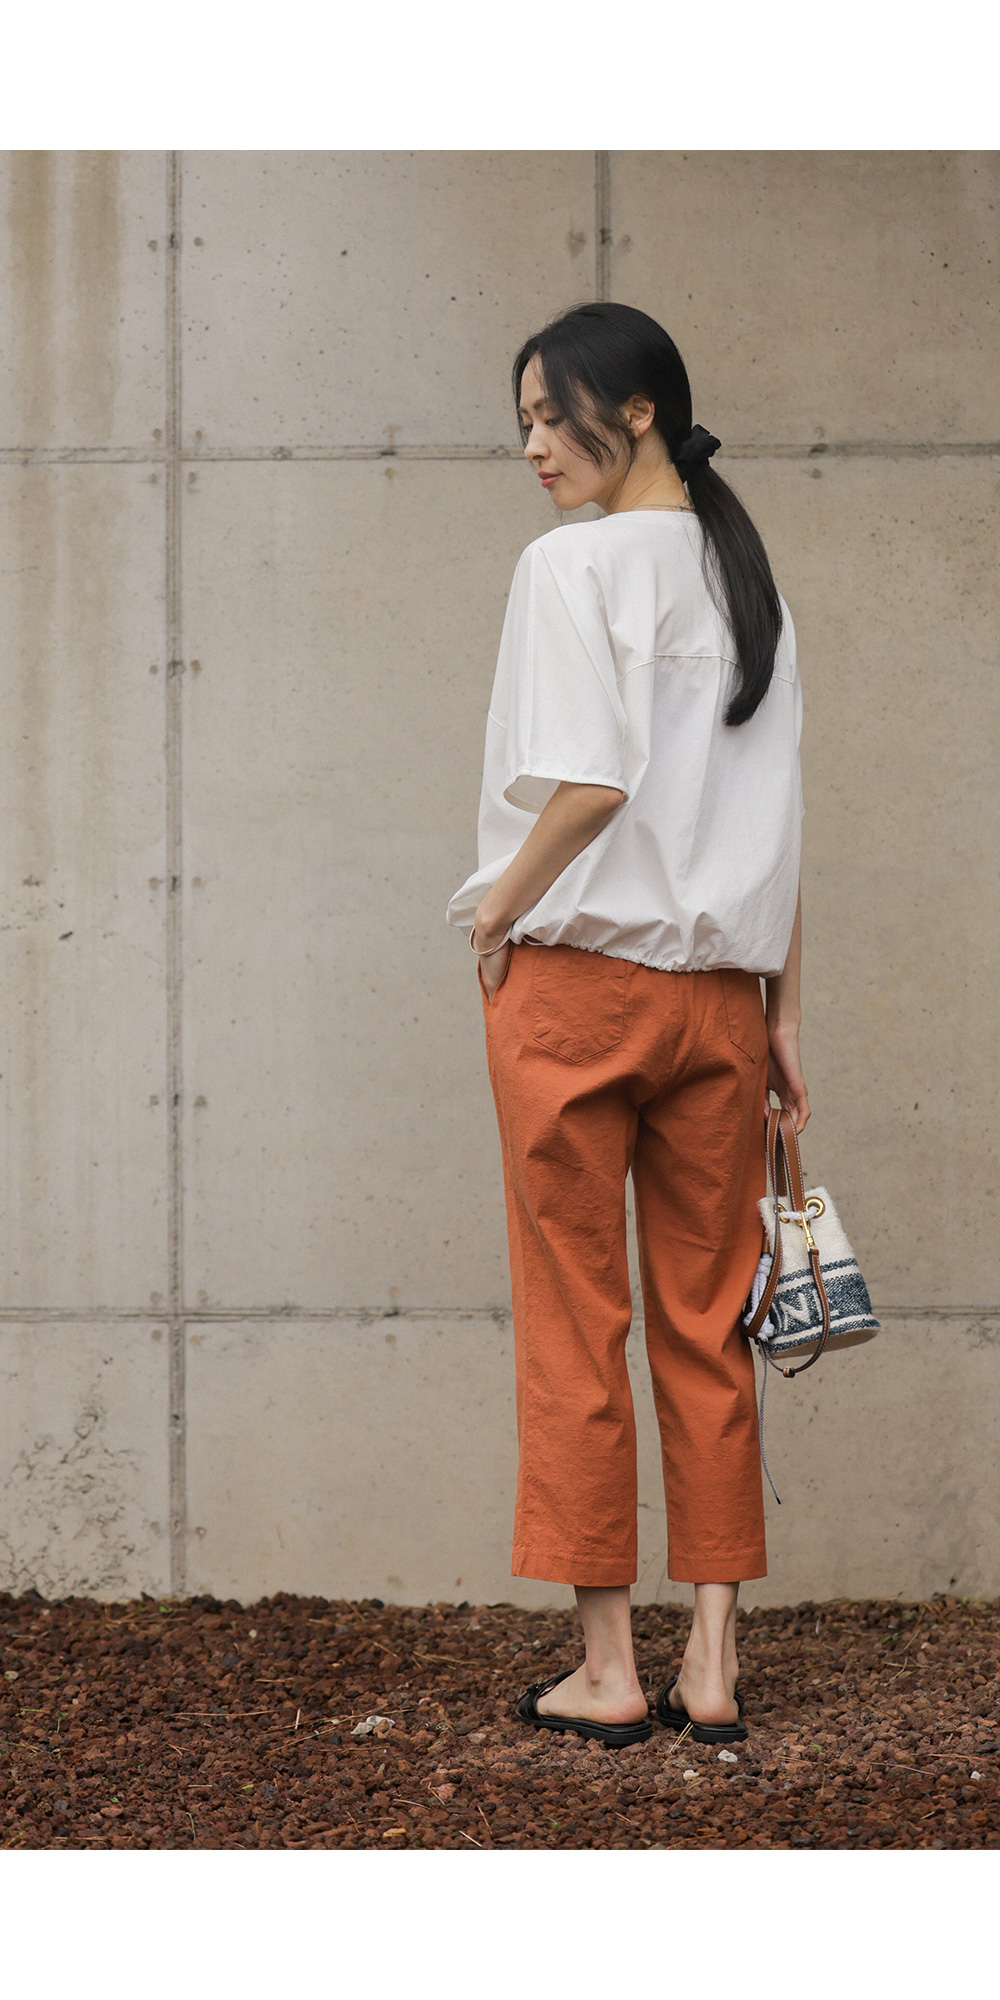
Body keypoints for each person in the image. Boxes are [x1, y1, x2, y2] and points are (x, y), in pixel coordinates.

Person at [446, 302, 809, 1750]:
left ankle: (607, 1669)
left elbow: (589, 785)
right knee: (709, 1323)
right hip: (724, 999)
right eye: (523, 423)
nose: (534, 446)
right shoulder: (747, 582)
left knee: (575, 1320)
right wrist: (783, 1014)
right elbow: (778, 827)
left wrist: (493, 914)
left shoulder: (571, 565)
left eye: (554, 414)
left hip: (579, 987)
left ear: (639, 409)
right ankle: (711, 1662)